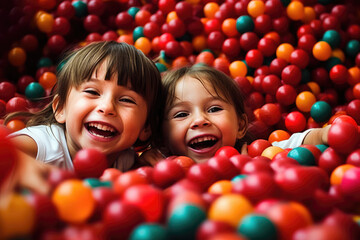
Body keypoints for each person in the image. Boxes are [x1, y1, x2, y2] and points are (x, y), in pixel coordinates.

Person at [5, 41, 164, 172]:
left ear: (146, 128)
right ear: (61, 108)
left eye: (127, 100)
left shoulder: (126, 160)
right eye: (92, 92)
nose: (107, 107)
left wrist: (143, 165)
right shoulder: (43, 145)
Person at [140, 64, 330, 164]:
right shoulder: (164, 167)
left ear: (240, 126)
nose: (199, 120)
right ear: (162, 135)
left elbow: (298, 143)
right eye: (181, 114)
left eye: (214, 109)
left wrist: (324, 134)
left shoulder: (258, 154)